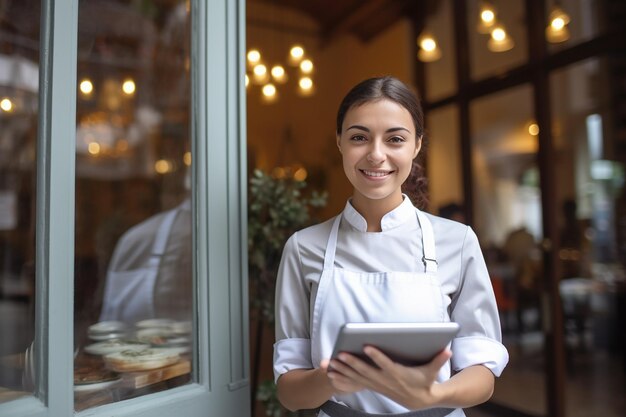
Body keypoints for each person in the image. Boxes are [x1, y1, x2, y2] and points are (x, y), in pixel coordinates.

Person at [273, 76, 508, 417]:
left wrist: (432, 395)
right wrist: (333, 378)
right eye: (359, 137)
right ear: (339, 142)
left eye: (395, 139)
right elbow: (290, 394)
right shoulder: (304, 248)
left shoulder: (457, 242)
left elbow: (483, 375)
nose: (376, 155)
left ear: (416, 145)